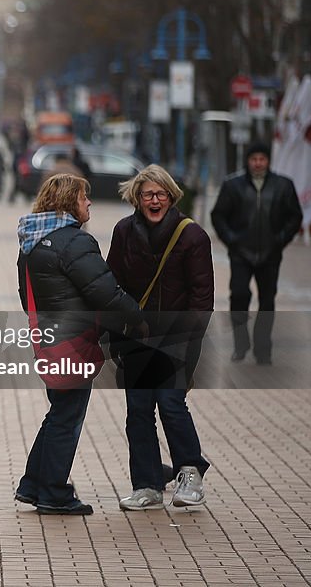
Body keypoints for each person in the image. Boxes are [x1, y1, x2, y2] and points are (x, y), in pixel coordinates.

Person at [15, 173, 142, 515]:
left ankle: (33, 484)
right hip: (74, 342)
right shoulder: (74, 241)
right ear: (70, 201)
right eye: (84, 197)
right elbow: (105, 292)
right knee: (67, 416)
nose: (89, 203)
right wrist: (140, 316)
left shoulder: (31, 241)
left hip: (48, 339)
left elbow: (26, 297)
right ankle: (54, 492)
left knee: (58, 411)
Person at [106, 165, 214, 510]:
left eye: (161, 194)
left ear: (172, 197)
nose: (155, 200)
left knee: (170, 403)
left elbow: (202, 297)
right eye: (148, 194)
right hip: (137, 339)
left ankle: (190, 475)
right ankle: (147, 485)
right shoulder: (124, 232)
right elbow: (113, 285)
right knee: (138, 411)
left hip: (177, 338)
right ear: (137, 199)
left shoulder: (192, 236)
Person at [211, 141, 303, 365]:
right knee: (239, 296)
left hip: (270, 254)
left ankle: (263, 349)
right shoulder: (233, 186)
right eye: (254, 159)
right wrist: (232, 240)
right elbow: (218, 215)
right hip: (241, 254)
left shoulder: (283, 186)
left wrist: (280, 240)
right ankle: (240, 345)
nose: (258, 163)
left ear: (268, 161)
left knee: (267, 301)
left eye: (262, 159)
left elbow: (295, 217)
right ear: (248, 160)